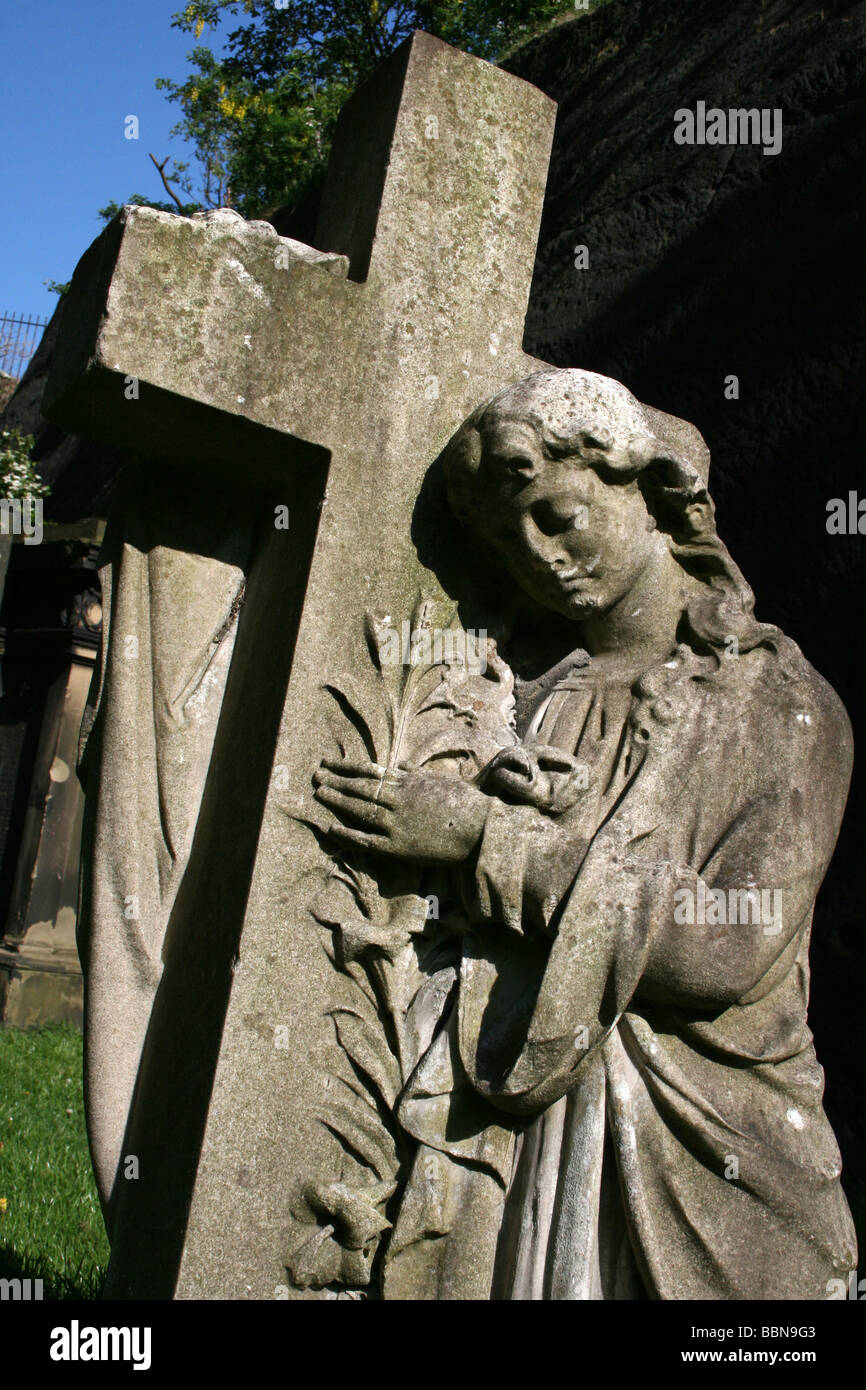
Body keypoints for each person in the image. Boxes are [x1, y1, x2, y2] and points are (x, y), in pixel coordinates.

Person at [314, 368, 857, 1299]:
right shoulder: (531, 698)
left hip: (706, 1155)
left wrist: (483, 838)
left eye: (558, 515)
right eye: (509, 538)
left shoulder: (777, 706)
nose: (540, 555)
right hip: (516, 1123)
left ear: (646, 491)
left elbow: (724, 941)